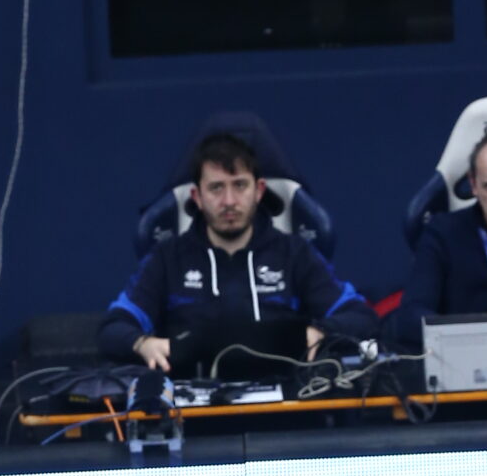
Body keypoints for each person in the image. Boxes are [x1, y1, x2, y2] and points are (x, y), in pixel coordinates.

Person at [99, 135, 376, 371]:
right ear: (197, 197)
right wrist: (142, 344)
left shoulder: (295, 254)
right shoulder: (167, 258)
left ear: (259, 191)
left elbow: (361, 317)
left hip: (287, 403)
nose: (229, 201)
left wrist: (321, 332)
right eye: (216, 188)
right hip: (193, 407)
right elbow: (113, 328)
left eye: (240, 185)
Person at [394, 131, 487, 348]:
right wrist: (463, 338)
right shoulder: (443, 234)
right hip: (468, 357)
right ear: (473, 184)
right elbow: (411, 316)